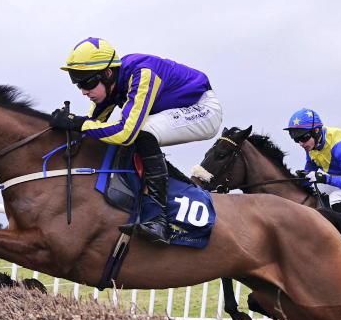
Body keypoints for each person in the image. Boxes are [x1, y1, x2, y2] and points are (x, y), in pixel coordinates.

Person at [50, 37, 223, 243]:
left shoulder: (142, 73)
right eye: (79, 84)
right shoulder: (111, 85)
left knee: (141, 132)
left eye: (88, 83)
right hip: (178, 110)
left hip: (204, 109)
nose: (84, 91)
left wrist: (78, 123)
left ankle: (158, 220)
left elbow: (125, 133)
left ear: (108, 73)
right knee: (125, 135)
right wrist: (69, 125)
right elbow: (92, 125)